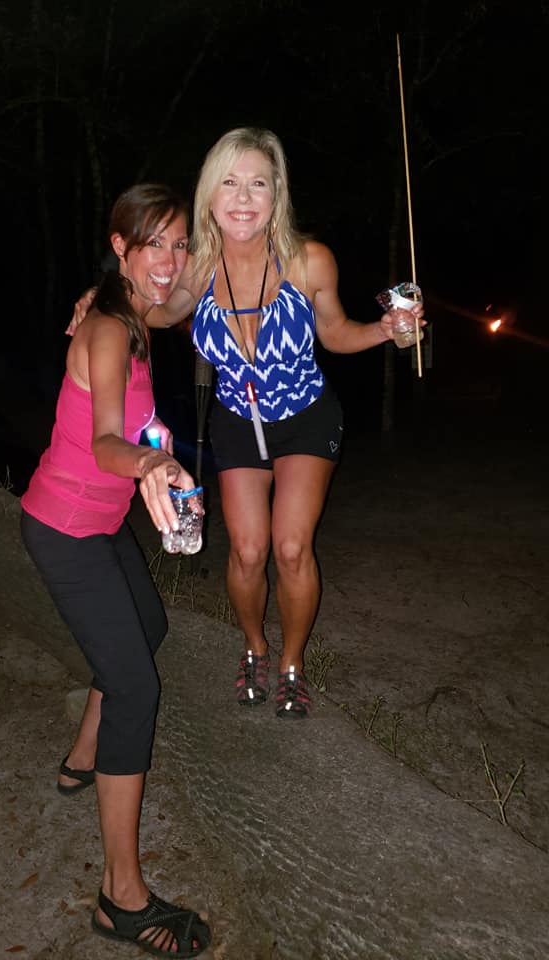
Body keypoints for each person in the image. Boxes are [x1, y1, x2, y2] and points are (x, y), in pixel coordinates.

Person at [70, 128, 424, 721]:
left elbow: (334, 332)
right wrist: (98, 295)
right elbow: (148, 309)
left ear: (276, 192)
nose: (243, 196)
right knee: (248, 551)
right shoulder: (199, 269)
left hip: (306, 416)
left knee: (290, 548)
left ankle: (291, 663)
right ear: (210, 193)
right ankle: (253, 646)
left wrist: (387, 330)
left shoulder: (310, 260)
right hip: (237, 419)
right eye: (230, 181)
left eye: (258, 182)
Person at [21, 184, 211, 957]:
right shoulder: (105, 329)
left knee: (150, 625)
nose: (169, 262)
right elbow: (105, 441)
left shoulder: (139, 312)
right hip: (65, 530)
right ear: (119, 246)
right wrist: (153, 462)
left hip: (96, 527)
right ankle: (120, 898)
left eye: (178, 244)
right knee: (135, 683)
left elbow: (189, 293)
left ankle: (81, 757)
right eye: (152, 245)